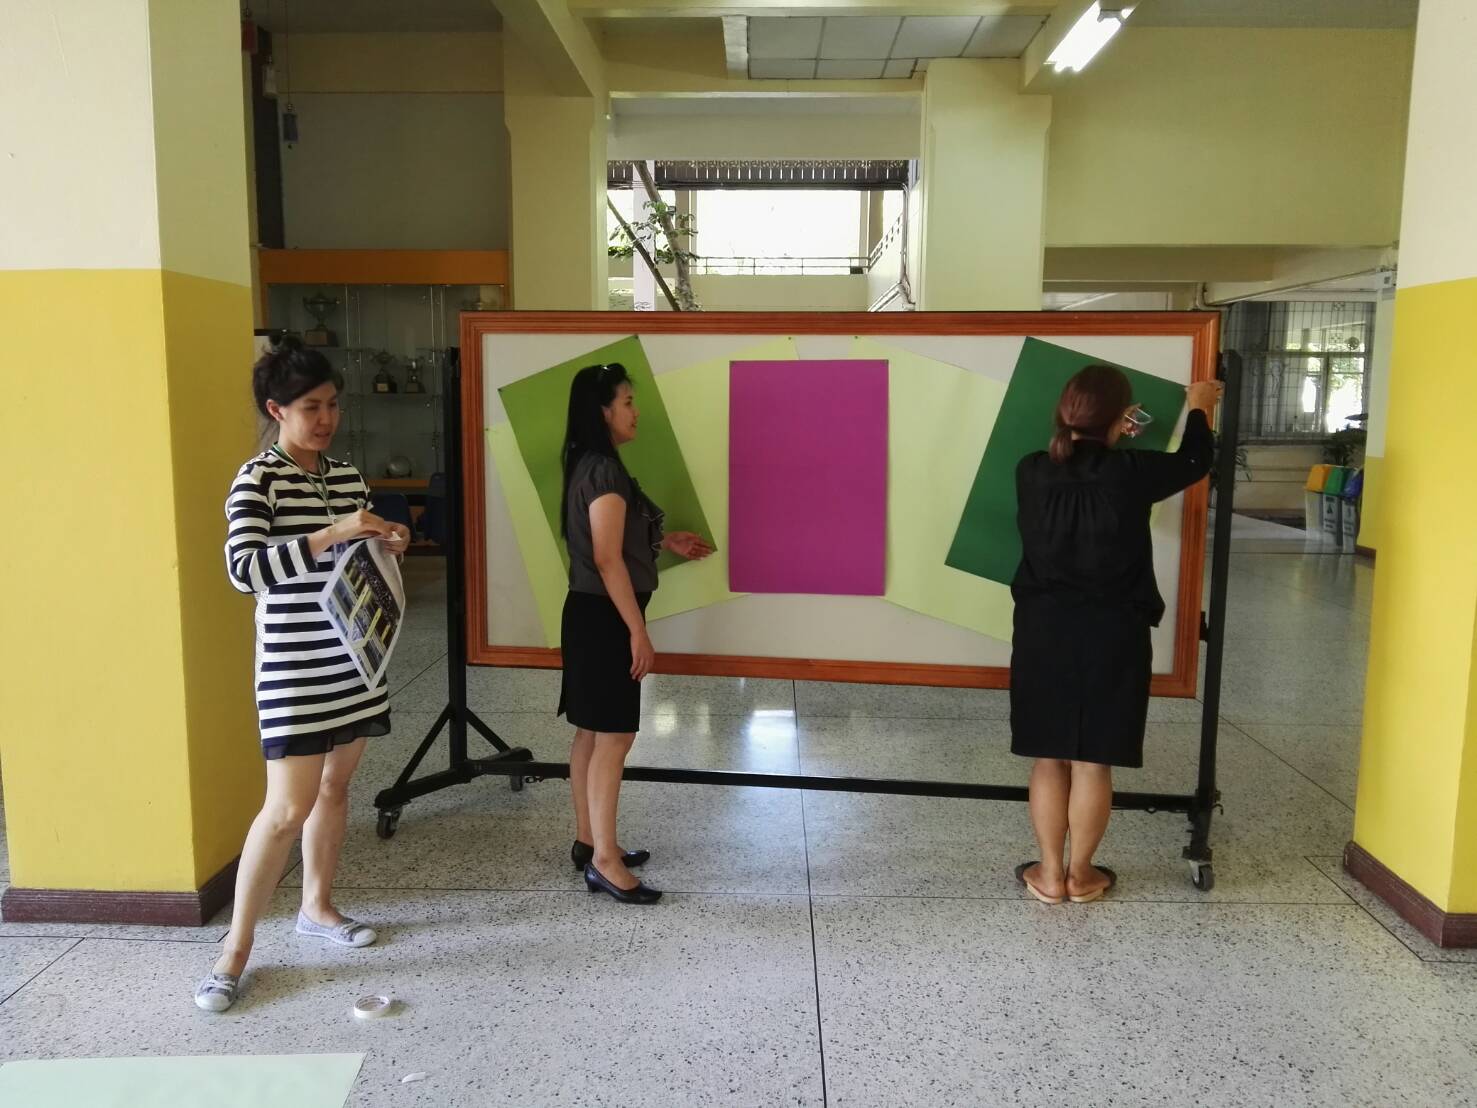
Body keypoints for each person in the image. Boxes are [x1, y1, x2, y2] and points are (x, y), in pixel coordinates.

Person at [194, 338, 411, 1012]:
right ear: (276, 410)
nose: (326, 419)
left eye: (332, 405)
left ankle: (317, 906)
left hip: (356, 660)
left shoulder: (345, 475)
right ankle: (234, 951)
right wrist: (331, 534)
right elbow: (244, 571)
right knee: (286, 809)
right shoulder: (257, 479)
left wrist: (387, 538)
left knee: (334, 788)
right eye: (310, 407)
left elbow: (360, 553)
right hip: (294, 666)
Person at [1010, 366, 1221, 905]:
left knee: (1049, 754)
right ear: (1120, 416)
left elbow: (1080, 473)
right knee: (1092, 759)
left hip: (1042, 629)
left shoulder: (1030, 470)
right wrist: (1200, 405)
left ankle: (1049, 874)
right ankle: (1081, 875)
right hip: (1114, 631)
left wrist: (1107, 437)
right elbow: (1196, 460)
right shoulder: (1131, 471)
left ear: (1064, 412)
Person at [558, 362, 713, 905]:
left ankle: (590, 841)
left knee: (591, 732)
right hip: (605, 617)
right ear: (603, 411)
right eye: (627, 402)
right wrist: (637, 631)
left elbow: (610, 541)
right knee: (614, 737)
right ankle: (605, 862)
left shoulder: (591, 463)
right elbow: (606, 558)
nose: (635, 411)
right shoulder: (604, 471)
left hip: (589, 613)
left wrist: (666, 542)